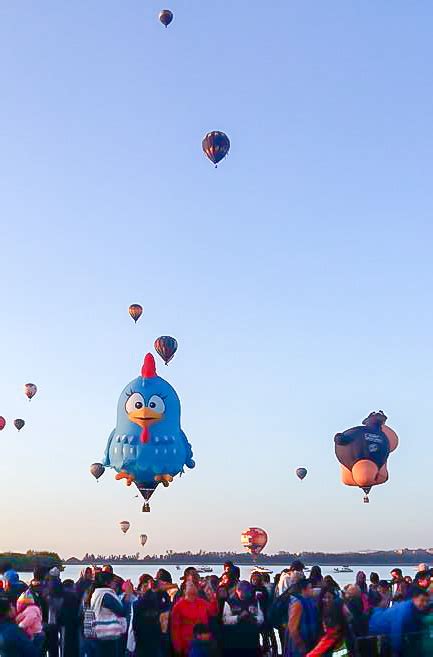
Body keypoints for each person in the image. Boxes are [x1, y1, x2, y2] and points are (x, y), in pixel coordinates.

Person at [369, 586, 430, 656]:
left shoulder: (418, 611)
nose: (425, 604)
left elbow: (417, 633)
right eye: (422, 600)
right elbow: (397, 633)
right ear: (414, 599)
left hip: (386, 631)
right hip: (376, 628)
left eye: (426, 601)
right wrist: (397, 652)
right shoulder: (404, 610)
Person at [171, 578, 217, 657]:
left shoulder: (202, 602)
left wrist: (212, 598)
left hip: (204, 643)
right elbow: (175, 628)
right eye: (191, 585)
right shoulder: (178, 606)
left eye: (194, 585)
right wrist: (178, 647)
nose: (194, 587)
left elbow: (213, 612)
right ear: (184, 590)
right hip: (188, 645)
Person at [89, 571, 127, 656]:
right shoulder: (106, 595)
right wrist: (127, 599)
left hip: (98, 632)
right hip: (108, 633)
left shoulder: (96, 593)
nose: (115, 584)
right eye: (114, 581)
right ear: (107, 582)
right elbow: (121, 610)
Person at [221, 580, 263, 657]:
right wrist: (239, 617)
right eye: (242, 591)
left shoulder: (254, 601)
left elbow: (261, 618)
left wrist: (254, 619)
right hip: (235, 639)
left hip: (252, 638)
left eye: (247, 591)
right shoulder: (229, 602)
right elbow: (225, 620)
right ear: (237, 590)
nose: (245, 594)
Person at [306, 588, 349, 656]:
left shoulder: (336, 611)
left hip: (337, 649)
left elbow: (331, 636)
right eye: (324, 597)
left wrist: (312, 655)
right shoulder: (318, 612)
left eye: (329, 597)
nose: (327, 600)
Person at [128, 575, 164, 657]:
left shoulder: (156, 602)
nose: (147, 588)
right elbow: (134, 625)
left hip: (151, 640)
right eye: (144, 586)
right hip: (142, 640)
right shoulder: (136, 604)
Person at [283, 578, 319, 657]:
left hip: (308, 641)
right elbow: (293, 628)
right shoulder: (298, 603)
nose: (312, 590)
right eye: (310, 588)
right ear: (304, 590)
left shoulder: (309, 601)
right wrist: (300, 644)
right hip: (298, 644)